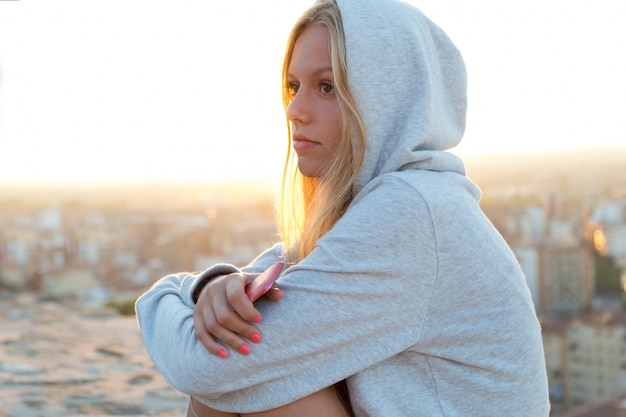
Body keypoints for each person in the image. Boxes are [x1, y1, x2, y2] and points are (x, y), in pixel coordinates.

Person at [135, 0, 551, 415]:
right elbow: (265, 282)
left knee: (250, 385)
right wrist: (211, 286)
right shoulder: (371, 207)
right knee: (249, 369)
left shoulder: (413, 212)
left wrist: (168, 296)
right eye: (294, 87)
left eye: (327, 87)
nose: (294, 112)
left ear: (390, 98)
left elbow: (207, 367)